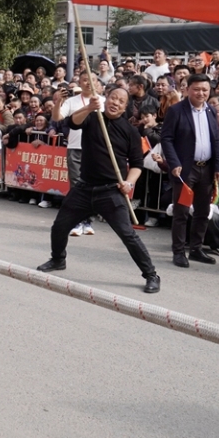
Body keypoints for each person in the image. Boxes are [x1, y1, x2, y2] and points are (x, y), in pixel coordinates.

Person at [35, 89, 161, 294]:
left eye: (121, 101)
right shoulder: (93, 118)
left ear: (125, 107)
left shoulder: (130, 131)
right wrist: (89, 107)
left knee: (128, 235)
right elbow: (72, 123)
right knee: (59, 226)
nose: (115, 103)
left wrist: (129, 183)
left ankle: (151, 275)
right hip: (84, 188)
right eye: (113, 98)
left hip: (111, 191)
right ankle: (58, 259)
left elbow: (137, 164)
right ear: (106, 99)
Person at [160, 74, 219, 268]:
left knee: (203, 211)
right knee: (181, 211)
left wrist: (218, 166)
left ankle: (196, 248)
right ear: (187, 89)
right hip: (185, 169)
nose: (201, 93)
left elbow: (216, 140)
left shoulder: (211, 111)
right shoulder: (176, 110)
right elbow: (166, 138)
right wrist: (174, 163)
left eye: (205, 90)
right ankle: (179, 252)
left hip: (207, 168)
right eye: (196, 89)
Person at [54, 71, 103, 237]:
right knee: (76, 186)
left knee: (93, 187)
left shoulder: (103, 101)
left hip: (96, 149)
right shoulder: (71, 101)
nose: (88, 82)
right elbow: (57, 117)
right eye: (85, 80)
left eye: (92, 79)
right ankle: (76, 221)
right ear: (80, 83)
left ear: (97, 82)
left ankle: (88, 221)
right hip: (75, 148)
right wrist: (58, 101)